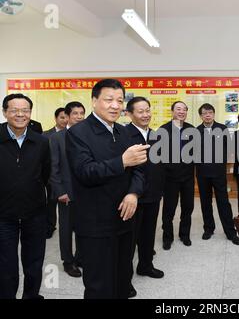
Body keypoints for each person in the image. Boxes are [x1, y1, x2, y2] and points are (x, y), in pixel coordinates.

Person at [65, 79, 149, 299]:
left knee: (122, 280)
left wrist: (133, 193)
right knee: (99, 285)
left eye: (120, 100)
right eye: (109, 100)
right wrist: (121, 161)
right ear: (94, 101)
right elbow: (85, 172)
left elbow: (140, 169)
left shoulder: (125, 133)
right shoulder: (78, 133)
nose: (115, 105)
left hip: (124, 219)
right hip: (95, 223)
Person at [0, 93, 51, 299]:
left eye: (25, 110)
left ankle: (31, 295)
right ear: (5, 112)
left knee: (34, 261)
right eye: (14, 110)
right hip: (3, 215)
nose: (20, 114)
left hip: (35, 213)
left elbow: (45, 174)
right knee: (5, 264)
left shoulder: (40, 141)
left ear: (30, 112)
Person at [126, 97, 165, 297]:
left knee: (148, 234)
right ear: (130, 114)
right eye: (140, 111)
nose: (145, 115)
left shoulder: (156, 135)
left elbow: (160, 165)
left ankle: (145, 266)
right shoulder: (124, 134)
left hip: (153, 194)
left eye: (147, 110)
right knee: (129, 239)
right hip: (132, 197)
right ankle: (125, 280)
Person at [49, 102, 85, 278]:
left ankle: (80, 257)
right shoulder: (57, 138)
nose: (79, 116)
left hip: (87, 191)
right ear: (68, 116)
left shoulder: (88, 135)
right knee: (66, 228)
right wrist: (59, 191)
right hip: (67, 192)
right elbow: (53, 168)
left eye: (82, 113)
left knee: (84, 226)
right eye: (75, 113)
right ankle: (68, 261)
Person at [196, 103, 239, 245]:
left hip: (218, 172)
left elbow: (228, 149)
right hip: (202, 173)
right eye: (204, 113)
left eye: (210, 112)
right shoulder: (196, 131)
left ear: (214, 114)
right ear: (201, 116)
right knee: (205, 202)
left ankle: (230, 232)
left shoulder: (223, 129)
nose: (207, 115)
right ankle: (208, 228)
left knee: (223, 202)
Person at [159, 101, 195, 250]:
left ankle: (184, 235)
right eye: (178, 109)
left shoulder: (192, 130)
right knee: (169, 209)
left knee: (188, 207)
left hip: (187, 176)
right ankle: (167, 237)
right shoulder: (163, 130)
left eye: (184, 109)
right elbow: (158, 154)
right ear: (172, 111)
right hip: (170, 177)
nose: (181, 112)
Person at [43, 107, 68, 239]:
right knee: (50, 204)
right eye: (61, 117)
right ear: (56, 118)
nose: (64, 120)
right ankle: (50, 226)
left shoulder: (74, 135)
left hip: (68, 178)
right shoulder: (45, 135)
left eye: (66, 117)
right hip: (51, 176)